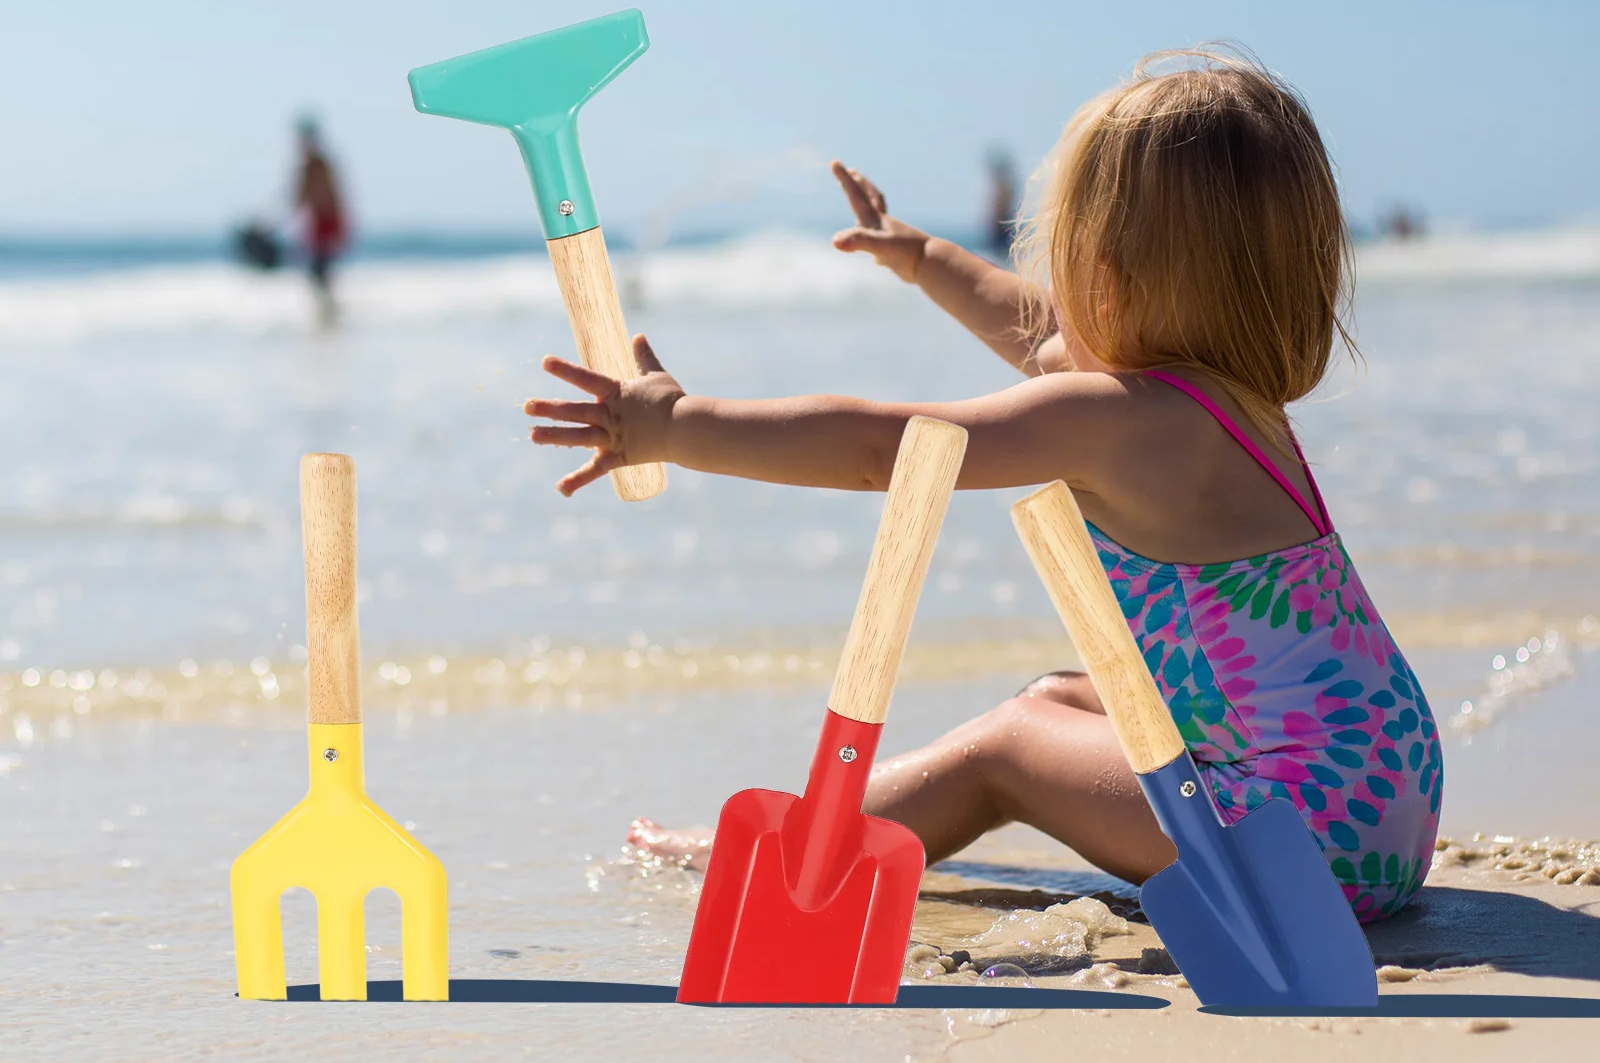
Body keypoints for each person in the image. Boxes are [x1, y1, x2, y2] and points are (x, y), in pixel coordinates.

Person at [525, 51, 1443, 924]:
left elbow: (891, 451)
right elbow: (1037, 336)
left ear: (1107, 278)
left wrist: (678, 427)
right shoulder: (1229, 403)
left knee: (1008, 747)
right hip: (1386, 794)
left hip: (1303, 842)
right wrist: (922, 257)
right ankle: (841, 826)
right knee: (1058, 696)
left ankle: (792, 851)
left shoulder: (1123, 420)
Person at [292, 118, 349, 320]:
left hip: (326, 223)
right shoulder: (315, 165)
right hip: (321, 223)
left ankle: (329, 314)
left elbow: (304, 198)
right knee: (320, 273)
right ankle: (328, 312)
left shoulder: (316, 165)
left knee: (319, 272)